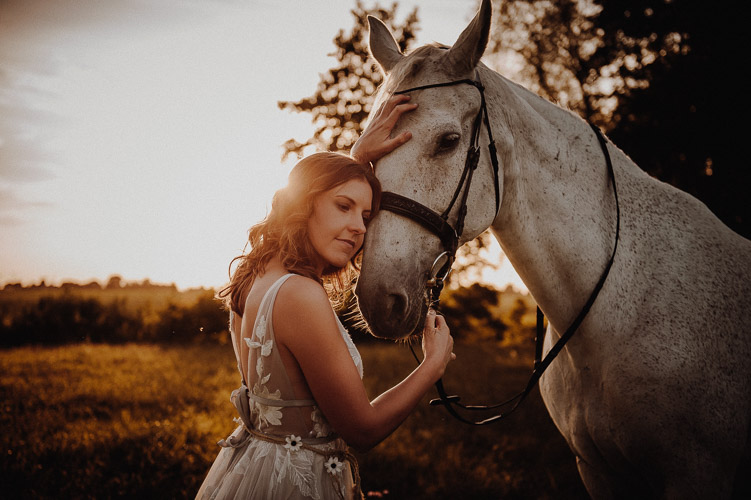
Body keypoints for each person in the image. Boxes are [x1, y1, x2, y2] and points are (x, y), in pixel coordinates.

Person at [196, 95, 455, 500]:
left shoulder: (255, 274)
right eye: (343, 207)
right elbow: (362, 430)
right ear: (303, 205)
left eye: (365, 217)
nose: (358, 228)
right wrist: (432, 365)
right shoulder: (300, 295)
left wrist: (357, 161)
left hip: (255, 467)